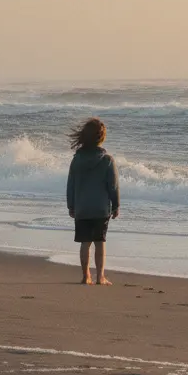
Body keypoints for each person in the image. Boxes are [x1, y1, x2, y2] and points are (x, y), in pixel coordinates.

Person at [66, 117, 120, 285]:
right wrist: (116, 205)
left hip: (82, 208)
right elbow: (113, 185)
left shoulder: (77, 159)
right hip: (100, 209)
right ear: (101, 138)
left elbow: (70, 185)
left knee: (85, 243)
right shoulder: (107, 160)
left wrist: (71, 205)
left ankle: (86, 276)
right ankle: (100, 277)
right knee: (100, 243)